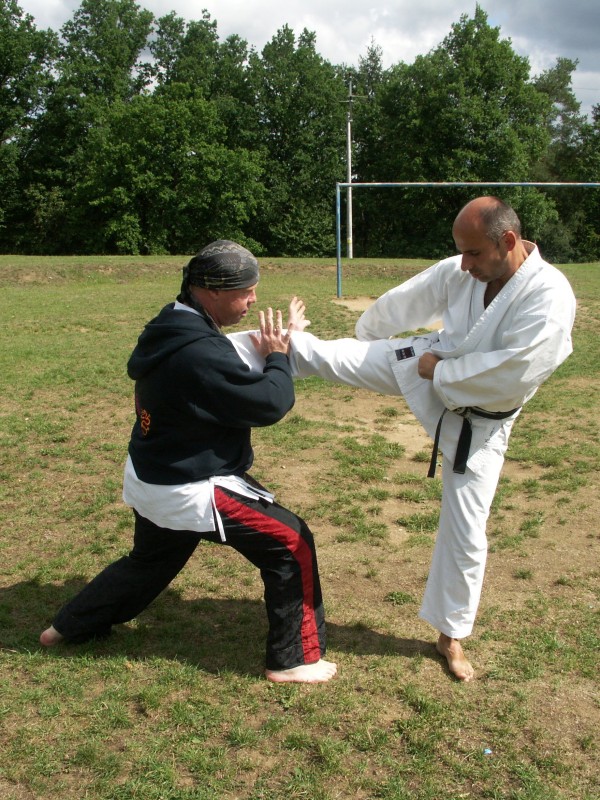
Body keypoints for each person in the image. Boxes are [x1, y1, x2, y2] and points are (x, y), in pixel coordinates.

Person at [229, 197, 576, 681]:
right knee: (327, 355)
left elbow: (516, 371)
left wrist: (442, 372)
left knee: (467, 530)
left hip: (480, 421)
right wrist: (369, 334)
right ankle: (212, 355)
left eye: (474, 253)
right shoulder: (464, 268)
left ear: (509, 242)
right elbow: (412, 296)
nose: (464, 264)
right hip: (426, 362)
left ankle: (450, 634)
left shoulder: (549, 297)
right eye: (461, 252)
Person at [40, 239, 337, 684]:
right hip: (186, 485)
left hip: (153, 473)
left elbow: (223, 359)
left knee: (148, 563)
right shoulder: (197, 350)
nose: (253, 299)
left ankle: (67, 626)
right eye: (245, 291)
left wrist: (286, 337)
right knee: (291, 542)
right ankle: (293, 660)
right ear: (212, 291)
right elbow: (268, 403)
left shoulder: (173, 322)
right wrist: (278, 356)